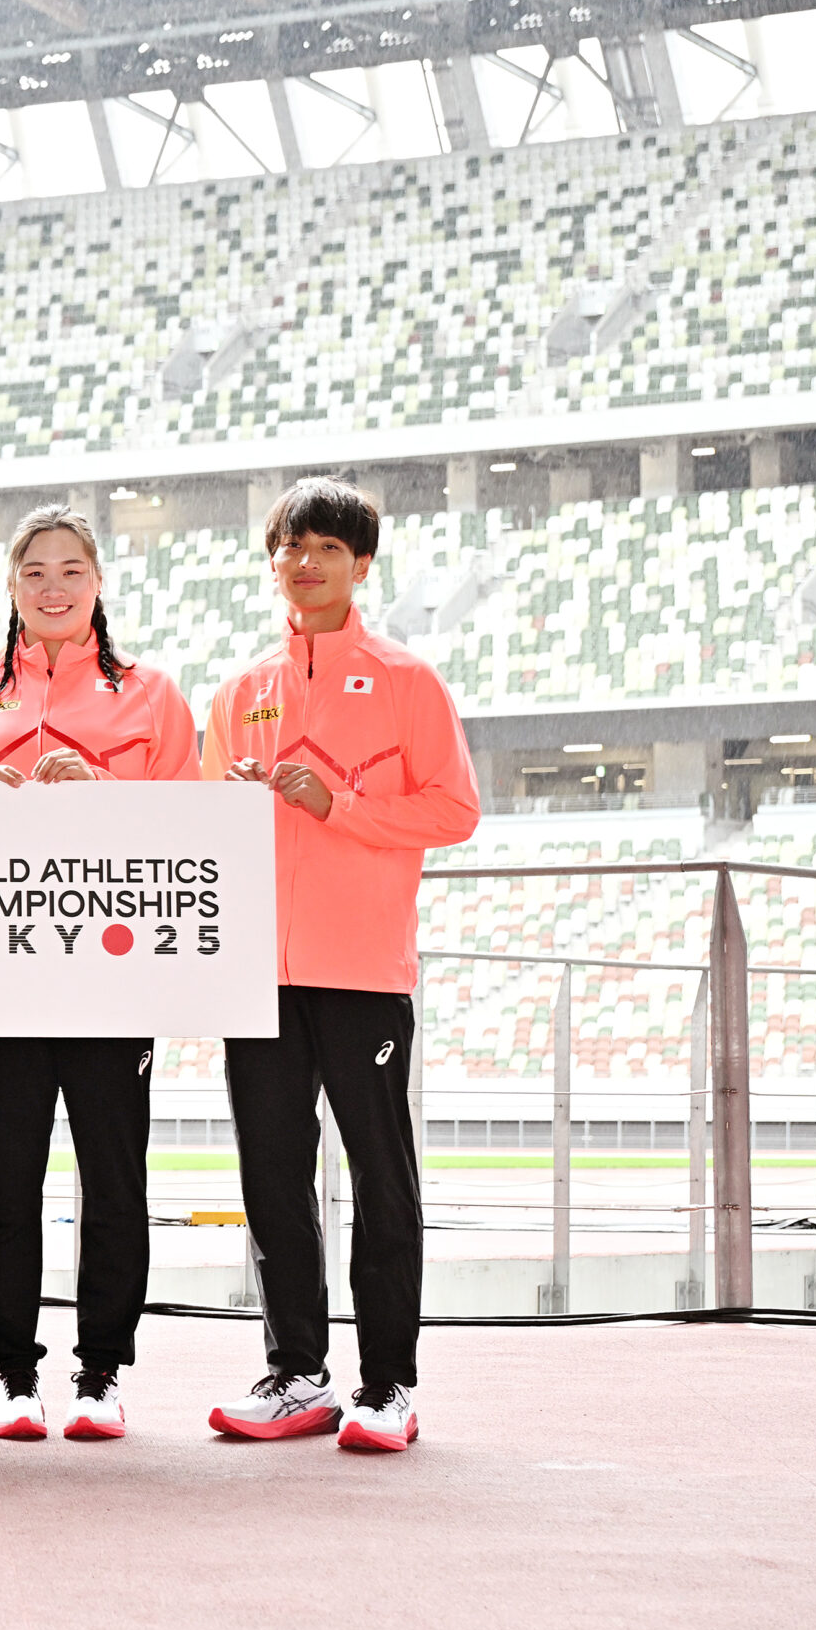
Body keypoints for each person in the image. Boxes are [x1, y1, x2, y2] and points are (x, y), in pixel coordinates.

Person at [200, 478, 479, 1453]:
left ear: (361, 564)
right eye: (288, 547)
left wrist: (339, 806)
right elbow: (202, 833)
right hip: (255, 975)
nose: (304, 563)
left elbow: (453, 811)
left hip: (362, 970)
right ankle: (297, 1374)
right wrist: (235, 800)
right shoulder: (240, 692)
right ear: (270, 562)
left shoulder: (407, 681)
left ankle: (388, 1384)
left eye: (325, 547)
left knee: (379, 1179)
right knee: (271, 1176)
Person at [0, 505, 198, 1444]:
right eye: (34, 570)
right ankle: (13, 1373)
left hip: (115, 982)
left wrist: (103, 793)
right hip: (2, 985)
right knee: (9, 1186)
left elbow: (186, 835)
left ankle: (102, 1372)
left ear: (99, 583)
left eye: (71, 569)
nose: (53, 586)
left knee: (114, 1182)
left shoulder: (153, 697)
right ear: (10, 586)